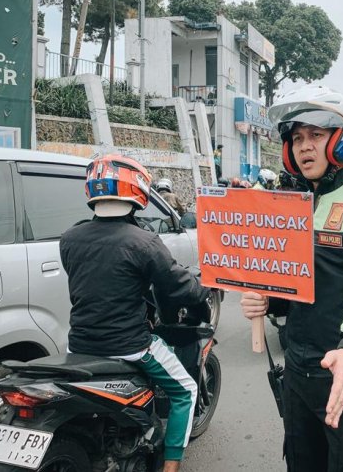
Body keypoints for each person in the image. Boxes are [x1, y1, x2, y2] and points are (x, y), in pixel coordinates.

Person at [241, 85, 343, 472]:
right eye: (297, 138)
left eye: (316, 134)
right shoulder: (294, 204)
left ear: (342, 139)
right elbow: (298, 282)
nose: (304, 146)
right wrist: (269, 301)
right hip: (299, 370)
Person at [60, 154, 210, 472]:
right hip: (130, 345)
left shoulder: (70, 237)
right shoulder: (144, 241)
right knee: (186, 390)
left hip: (78, 346)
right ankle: (171, 465)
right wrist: (202, 291)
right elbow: (177, 286)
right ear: (138, 190)